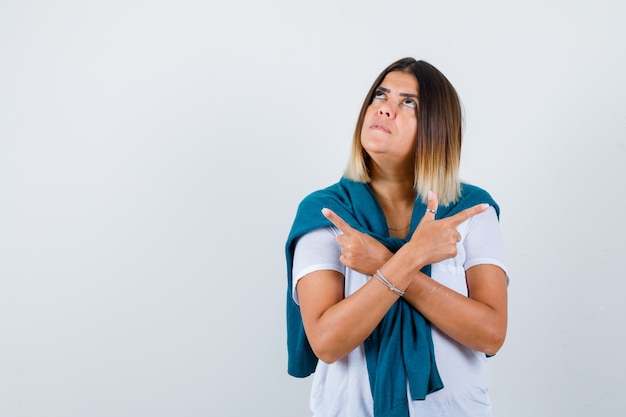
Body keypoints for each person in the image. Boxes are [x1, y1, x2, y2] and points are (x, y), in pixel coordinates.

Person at [285, 57, 508, 417]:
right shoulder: (326, 212)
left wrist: (385, 264)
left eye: (409, 102)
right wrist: (412, 256)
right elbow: (327, 342)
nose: (385, 109)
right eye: (380, 95)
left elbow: (490, 333)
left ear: (437, 127)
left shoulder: (471, 211)